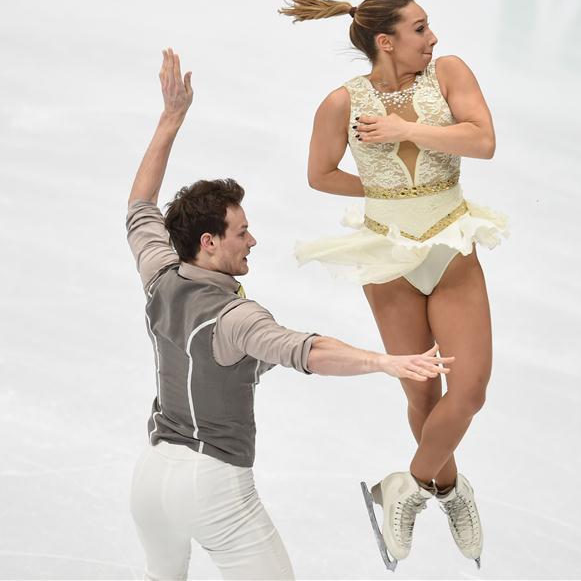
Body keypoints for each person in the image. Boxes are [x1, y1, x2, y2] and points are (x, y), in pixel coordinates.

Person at [126, 48, 455, 581]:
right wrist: (384, 361)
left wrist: (170, 119)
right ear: (208, 243)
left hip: (152, 478)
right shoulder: (234, 319)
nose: (252, 240)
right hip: (212, 487)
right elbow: (307, 350)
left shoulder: (160, 273)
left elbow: (141, 207)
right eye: (241, 232)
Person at [279, 0, 508, 567]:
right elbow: (320, 174)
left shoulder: (448, 73)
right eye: (421, 29)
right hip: (388, 260)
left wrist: (407, 129)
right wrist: (383, 190)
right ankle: (449, 488)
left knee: (470, 390)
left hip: (450, 247)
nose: (432, 39)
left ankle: (406, 484)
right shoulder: (342, 102)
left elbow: (483, 141)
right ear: (386, 41)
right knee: (422, 392)